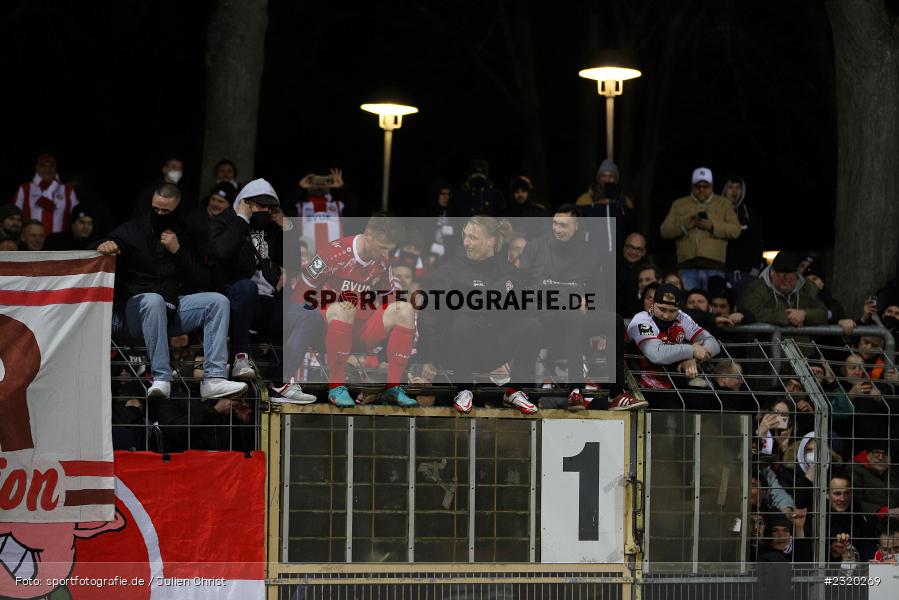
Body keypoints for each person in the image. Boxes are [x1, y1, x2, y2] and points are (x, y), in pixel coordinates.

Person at [95, 182, 247, 400]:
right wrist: (106, 244)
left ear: (177, 209)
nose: (159, 214)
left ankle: (214, 378)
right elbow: (102, 242)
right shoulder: (136, 228)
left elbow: (204, 278)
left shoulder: (184, 232)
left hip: (170, 307)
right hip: (134, 314)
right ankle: (162, 378)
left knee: (218, 301)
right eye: (155, 209)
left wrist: (178, 251)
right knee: (153, 300)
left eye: (165, 211)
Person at [417, 215, 541, 414]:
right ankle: (464, 390)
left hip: (492, 351)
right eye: (465, 236)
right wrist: (429, 357)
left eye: (473, 238)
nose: (466, 242)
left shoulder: (507, 271)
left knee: (533, 325)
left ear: (491, 241)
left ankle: (514, 391)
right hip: (456, 352)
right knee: (463, 322)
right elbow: (428, 315)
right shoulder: (449, 272)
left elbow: (524, 307)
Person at [207, 178, 316, 404]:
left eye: (269, 207)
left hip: (265, 304)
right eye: (259, 205)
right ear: (245, 203)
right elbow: (222, 251)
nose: (264, 211)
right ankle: (240, 357)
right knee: (247, 288)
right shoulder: (224, 222)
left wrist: (287, 227)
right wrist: (241, 219)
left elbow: (294, 262)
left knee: (309, 315)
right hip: (232, 301)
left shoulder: (271, 228)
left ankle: (281, 384)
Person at [518, 205, 637, 410]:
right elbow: (524, 286)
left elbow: (597, 293)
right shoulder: (536, 246)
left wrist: (599, 329)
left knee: (614, 321)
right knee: (572, 313)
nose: (557, 229)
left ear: (577, 227)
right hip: (542, 314)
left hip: (577, 316)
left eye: (563, 225)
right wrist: (568, 298)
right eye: (555, 224)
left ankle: (616, 394)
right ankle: (576, 390)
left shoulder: (590, 253)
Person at [298, 214, 417, 408]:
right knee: (346, 306)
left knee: (404, 309)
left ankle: (392, 388)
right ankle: (336, 387)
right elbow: (300, 295)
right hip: (325, 328)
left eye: (389, 249)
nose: (385, 254)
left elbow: (389, 299)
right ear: (368, 235)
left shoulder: (382, 261)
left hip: (359, 332)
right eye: (382, 247)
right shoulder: (333, 252)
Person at [626, 283, 721, 408]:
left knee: (711, 399)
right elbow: (657, 355)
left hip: (671, 380)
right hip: (639, 383)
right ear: (652, 304)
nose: (666, 316)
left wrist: (693, 359)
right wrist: (692, 350)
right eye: (662, 309)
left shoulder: (682, 317)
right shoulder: (641, 320)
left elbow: (713, 343)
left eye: (672, 311)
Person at [659, 167, 741, 291]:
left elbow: (736, 230)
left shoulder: (723, 204)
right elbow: (664, 231)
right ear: (692, 186)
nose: (701, 190)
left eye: (705, 186)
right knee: (688, 306)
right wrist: (685, 226)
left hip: (715, 267)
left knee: (714, 306)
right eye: (698, 186)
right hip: (687, 268)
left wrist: (712, 226)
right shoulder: (679, 204)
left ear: (712, 186)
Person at [742, 251, 828, 344]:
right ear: (772, 273)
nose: (786, 279)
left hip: (803, 351)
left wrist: (804, 315)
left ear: (796, 274)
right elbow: (752, 313)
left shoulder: (808, 288)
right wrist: (787, 317)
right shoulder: (756, 289)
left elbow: (823, 313)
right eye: (781, 273)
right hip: (767, 351)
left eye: (790, 273)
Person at [575, 159, 636, 254]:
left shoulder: (625, 202)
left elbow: (631, 229)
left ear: (616, 179)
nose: (607, 179)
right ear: (598, 178)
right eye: (603, 176)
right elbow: (576, 228)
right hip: (591, 254)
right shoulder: (584, 200)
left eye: (611, 176)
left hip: (619, 254)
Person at [12, 153, 78, 234]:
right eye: (43, 166)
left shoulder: (68, 191)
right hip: (30, 241)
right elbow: (14, 215)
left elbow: (76, 218)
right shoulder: (25, 189)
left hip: (58, 242)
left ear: (56, 168)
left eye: (51, 166)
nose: (47, 169)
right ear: (36, 167)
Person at [293, 168, 357, 249]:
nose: (319, 185)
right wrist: (300, 187)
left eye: (324, 181)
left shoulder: (338, 206)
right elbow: (284, 209)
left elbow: (355, 206)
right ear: (308, 183)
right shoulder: (300, 207)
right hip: (308, 258)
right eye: (315, 181)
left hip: (334, 257)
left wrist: (342, 187)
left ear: (329, 183)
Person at [721, 175, 764, 295]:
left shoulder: (750, 215)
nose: (734, 191)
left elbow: (758, 243)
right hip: (721, 273)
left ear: (742, 190)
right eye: (730, 187)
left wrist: (755, 269)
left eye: (738, 188)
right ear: (724, 189)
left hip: (747, 274)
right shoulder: (715, 214)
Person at [827, 470, 877, 562]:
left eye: (846, 493)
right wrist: (831, 550)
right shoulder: (819, 516)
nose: (843, 498)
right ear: (826, 494)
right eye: (837, 493)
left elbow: (867, 544)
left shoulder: (857, 511)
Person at [186, 182, 237, 264]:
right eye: (213, 199)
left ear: (229, 205)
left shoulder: (233, 223)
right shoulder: (194, 218)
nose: (215, 204)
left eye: (220, 201)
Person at [133, 155, 190, 219]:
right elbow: (139, 213)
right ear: (164, 169)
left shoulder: (184, 193)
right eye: (174, 167)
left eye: (180, 168)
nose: (177, 171)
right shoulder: (151, 190)